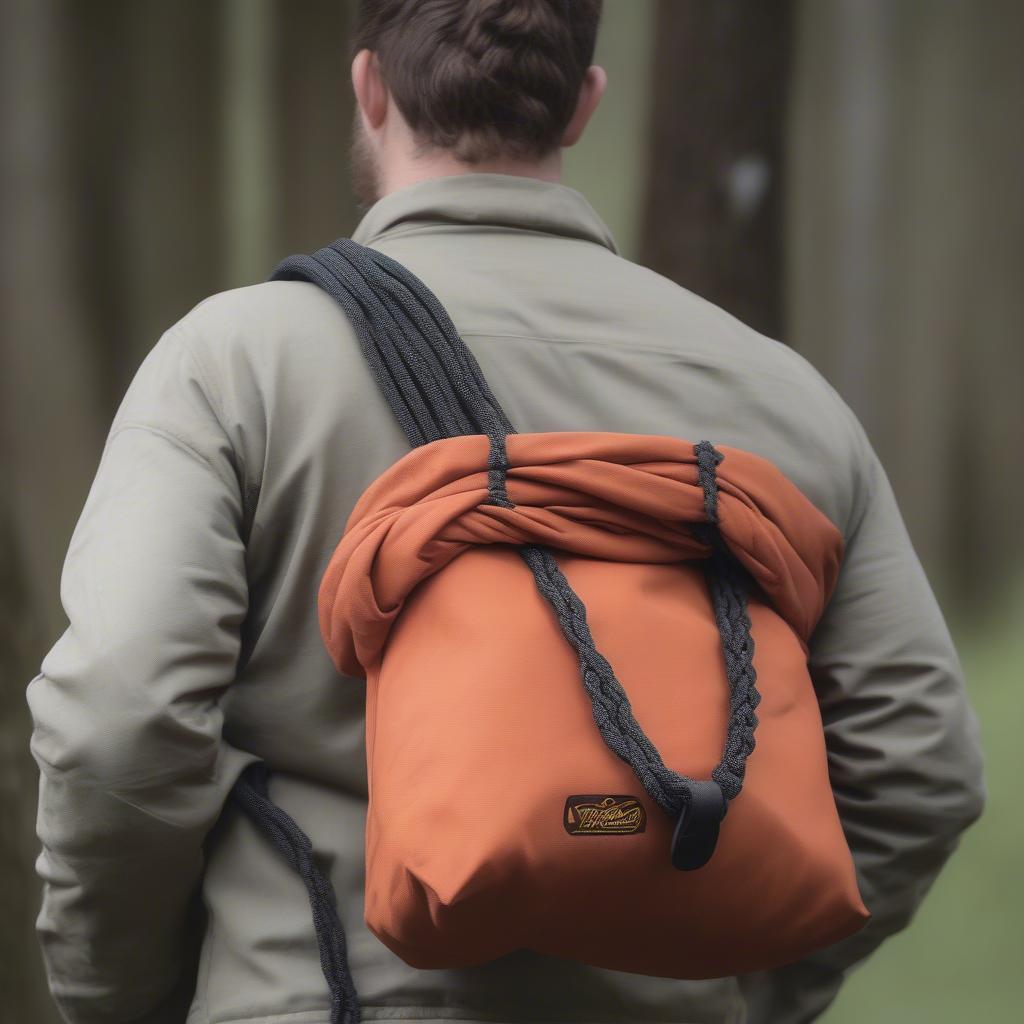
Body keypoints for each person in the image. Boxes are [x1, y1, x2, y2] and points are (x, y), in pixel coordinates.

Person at [26, 2, 985, 1023]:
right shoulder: (784, 399)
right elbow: (919, 766)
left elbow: (120, 723)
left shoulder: (234, 364)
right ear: (581, 105)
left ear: (368, 88)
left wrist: (120, 995)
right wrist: (741, 979)